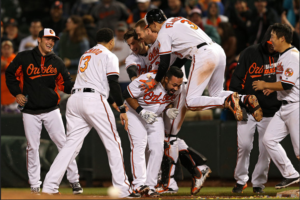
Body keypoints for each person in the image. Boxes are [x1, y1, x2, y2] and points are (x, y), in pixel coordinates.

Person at [42, 28, 139, 198]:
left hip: (75, 99)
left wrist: (112, 102)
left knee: (70, 146)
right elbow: (113, 83)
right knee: (113, 142)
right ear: (111, 41)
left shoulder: (86, 54)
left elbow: (98, 83)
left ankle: (49, 186)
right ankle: (123, 189)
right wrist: (122, 108)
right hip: (93, 100)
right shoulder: (109, 55)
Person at [134, 18, 211, 195]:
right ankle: (197, 167)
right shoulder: (155, 47)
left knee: (169, 138)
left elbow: (183, 56)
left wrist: (168, 81)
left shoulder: (164, 38)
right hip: (168, 90)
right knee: (169, 138)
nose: (140, 39)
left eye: (141, 34)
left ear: (149, 29)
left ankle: (169, 183)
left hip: (176, 88)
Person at [142, 9, 260, 122]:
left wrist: (155, 81)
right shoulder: (176, 20)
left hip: (204, 54)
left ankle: (227, 101)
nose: (151, 30)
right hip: (217, 50)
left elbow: (164, 63)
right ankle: (245, 99)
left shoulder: (163, 32)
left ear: (153, 23)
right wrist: (167, 72)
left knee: (190, 102)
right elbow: (180, 59)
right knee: (216, 93)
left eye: (150, 26)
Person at [5, 28, 82, 194]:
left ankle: (74, 180)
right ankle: (34, 184)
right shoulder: (23, 57)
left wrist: (79, 85)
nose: (51, 42)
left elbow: (65, 85)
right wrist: (17, 93)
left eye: (53, 40)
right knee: (32, 147)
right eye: (48, 39)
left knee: (64, 144)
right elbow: (10, 74)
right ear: (39, 39)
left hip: (51, 110)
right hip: (30, 110)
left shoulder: (57, 61)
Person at [229, 26, 281, 193]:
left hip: (271, 111)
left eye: (274, 42)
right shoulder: (250, 53)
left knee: (266, 149)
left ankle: (258, 183)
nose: (272, 45)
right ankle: (241, 180)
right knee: (244, 146)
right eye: (269, 42)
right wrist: (239, 103)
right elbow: (236, 79)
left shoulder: (285, 55)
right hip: (249, 109)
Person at [123, 66, 184, 197]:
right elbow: (127, 94)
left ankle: (150, 186)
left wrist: (168, 109)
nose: (176, 88)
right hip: (134, 112)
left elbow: (165, 101)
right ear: (165, 79)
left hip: (155, 116)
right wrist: (141, 111)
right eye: (174, 84)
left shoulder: (176, 89)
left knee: (158, 148)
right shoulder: (149, 80)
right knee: (139, 144)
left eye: (178, 85)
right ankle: (138, 185)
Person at [253, 23, 300, 189]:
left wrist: (265, 84)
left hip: (296, 106)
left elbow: (287, 85)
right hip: (285, 107)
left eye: (273, 36)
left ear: (282, 38)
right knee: (269, 139)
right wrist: (272, 87)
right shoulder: (283, 56)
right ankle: (291, 174)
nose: (270, 40)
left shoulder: (293, 56)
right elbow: (283, 83)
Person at [112, 21, 131, 92]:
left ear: (126, 31)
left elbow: (131, 56)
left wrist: (119, 63)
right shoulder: (111, 42)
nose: (120, 33)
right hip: (112, 77)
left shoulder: (130, 42)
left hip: (126, 76)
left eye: (122, 31)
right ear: (115, 31)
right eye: (119, 31)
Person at [1, 41, 18, 113]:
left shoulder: (16, 59)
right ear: (2, 50)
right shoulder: (1, 59)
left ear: (12, 50)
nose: (6, 50)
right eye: (4, 48)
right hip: (2, 97)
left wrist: (5, 65)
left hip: (13, 97)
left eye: (8, 48)